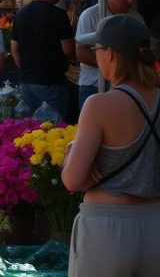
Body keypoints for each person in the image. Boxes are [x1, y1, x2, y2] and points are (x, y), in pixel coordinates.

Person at [62, 15, 160, 277]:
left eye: (97, 49)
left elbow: (72, 180)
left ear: (111, 54)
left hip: (107, 229)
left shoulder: (100, 105)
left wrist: (70, 152)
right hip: (155, 225)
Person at [11, 0, 76, 122]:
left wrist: (26, 70)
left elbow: (14, 49)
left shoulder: (20, 14)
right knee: (54, 127)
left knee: (31, 128)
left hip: (27, 81)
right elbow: (68, 50)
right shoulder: (59, 15)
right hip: (52, 81)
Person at [75, 0, 143, 109]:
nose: (131, 1)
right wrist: (113, 69)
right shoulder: (90, 15)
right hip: (93, 86)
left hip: (128, 88)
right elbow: (81, 51)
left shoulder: (137, 19)